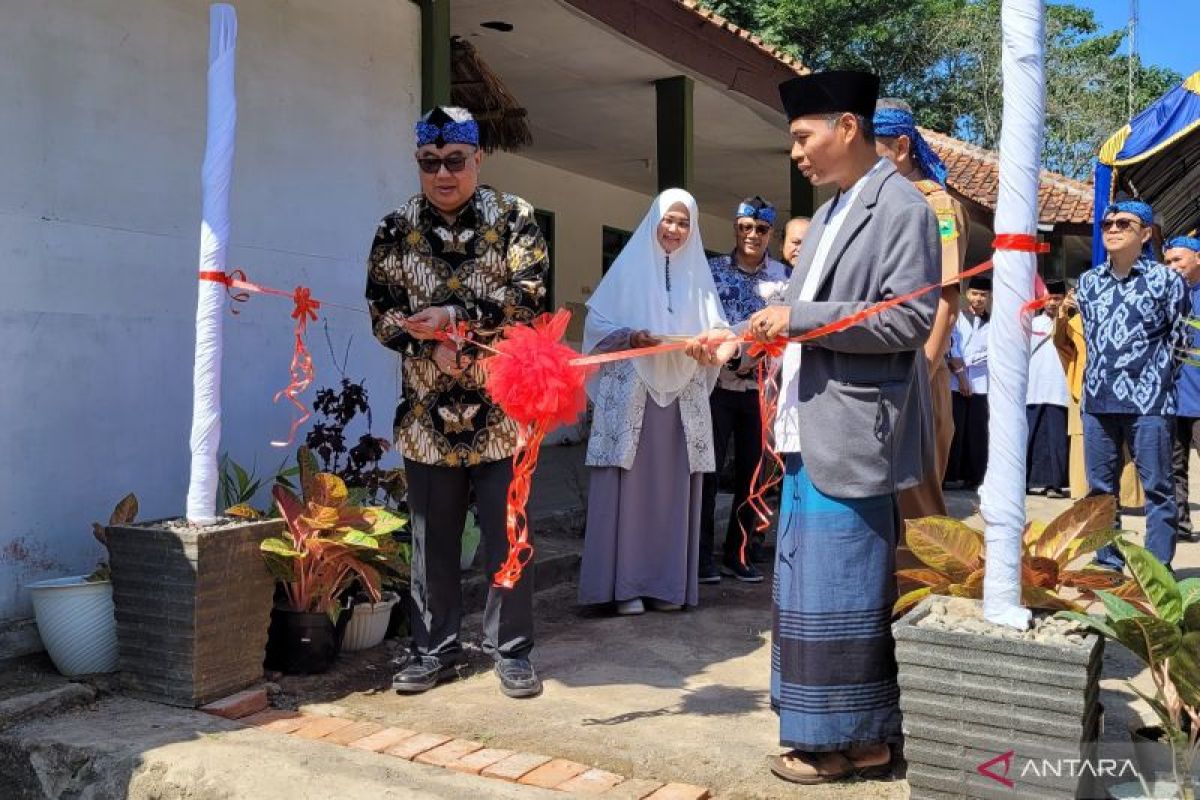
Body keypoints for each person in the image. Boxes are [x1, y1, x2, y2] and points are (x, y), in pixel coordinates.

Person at [688, 70, 938, 785]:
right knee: (807, 588)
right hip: (806, 424)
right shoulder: (828, 215)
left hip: (856, 426)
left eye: (803, 137)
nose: (796, 152)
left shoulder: (901, 208)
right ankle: (837, 736)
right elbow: (794, 315)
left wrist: (795, 321)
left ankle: (858, 740)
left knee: (849, 587)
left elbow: (908, 318)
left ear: (847, 128)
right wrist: (739, 338)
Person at [366, 106, 548, 698]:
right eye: (429, 163)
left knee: (506, 536)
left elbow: (528, 298)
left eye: (455, 161)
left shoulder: (514, 218)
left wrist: (455, 321)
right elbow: (379, 313)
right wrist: (424, 348)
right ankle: (432, 649)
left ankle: (512, 652)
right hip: (425, 416)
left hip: (501, 413)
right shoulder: (395, 229)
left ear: (478, 159)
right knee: (431, 540)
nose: (443, 174)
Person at [577, 189, 733, 616]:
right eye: (669, 220)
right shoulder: (627, 269)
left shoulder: (698, 276)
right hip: (634, 395)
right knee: (629, 490)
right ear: (653, 221)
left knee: (672, 490)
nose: (675, 229)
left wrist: (713, 348)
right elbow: (597, 326)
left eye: (684, 222)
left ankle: (666, 586)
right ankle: (624, 586)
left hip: (682, 396)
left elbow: (719, 330)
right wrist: (632, 337)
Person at [1079, 200, 1189, 570]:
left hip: (1150, 402)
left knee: (1158, 488)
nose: (1111, 228)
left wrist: (1154, 379)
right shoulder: (1089, 283)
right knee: (1099, 490)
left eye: (1123, 223)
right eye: (1107, 223)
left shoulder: (1167, 280)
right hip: (1097, 399)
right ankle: (1107, 563)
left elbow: (1181, 342)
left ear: (1144, 234)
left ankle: (1156, 569)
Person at [874, 98, 969, 518]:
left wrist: (925, 365)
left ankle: (920, 582)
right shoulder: (869, 202)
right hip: (874, 363)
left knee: (917, 495)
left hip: (917, 363)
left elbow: (947, 297)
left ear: (900, 146)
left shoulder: (937, 206)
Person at [699, 197, 789, 583]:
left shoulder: (784, 278)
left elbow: (789, 330)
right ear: (735, 228)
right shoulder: (711, 271)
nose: (752, 235)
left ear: (771, 233)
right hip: (718, 385)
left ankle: (739, 553)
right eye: (745, 227)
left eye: (761, 229)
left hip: (761, 391)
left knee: (754, 476)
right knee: (708, 472)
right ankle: (701, 558)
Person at [1054, 286, 1146, 507]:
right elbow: (1059, 342)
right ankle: (1086, 496)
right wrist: (1062, 314)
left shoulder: (1122, 313)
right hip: (1084, 386)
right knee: (1083, 439)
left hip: (1119, 384)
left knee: (1124, 441)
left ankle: (1128, 498)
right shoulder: (1073, 321)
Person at [1165, 235, 1200, 542]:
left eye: (1178, 260)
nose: (1172, 267)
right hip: (1173, 400)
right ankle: (1180, 525)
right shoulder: (1168, 296)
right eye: (1168, 262)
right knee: (1173, 468)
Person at [945, 276, 991, 490]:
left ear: (989, 297)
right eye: (975, 294)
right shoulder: (957, 318)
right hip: (956, 381)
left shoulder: (995, 322)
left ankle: (974, 477)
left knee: (977, 430)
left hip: (982, 383)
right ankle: (949, 475)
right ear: (967, 295)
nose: (979, 298)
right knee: (955, 428)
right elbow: (952, 346)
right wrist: (962, 375)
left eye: (983, 295)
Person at [1025, 280, 1070, 496]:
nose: (1052, 303)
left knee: (1057, 439)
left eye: (1057, 299)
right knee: (1031, 435)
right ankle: (1029, 481)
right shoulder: (1032, 325)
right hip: (1033, 388)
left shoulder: (1071, 324)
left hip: (1060, 389)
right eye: (1048, 299)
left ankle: (1055, 484)